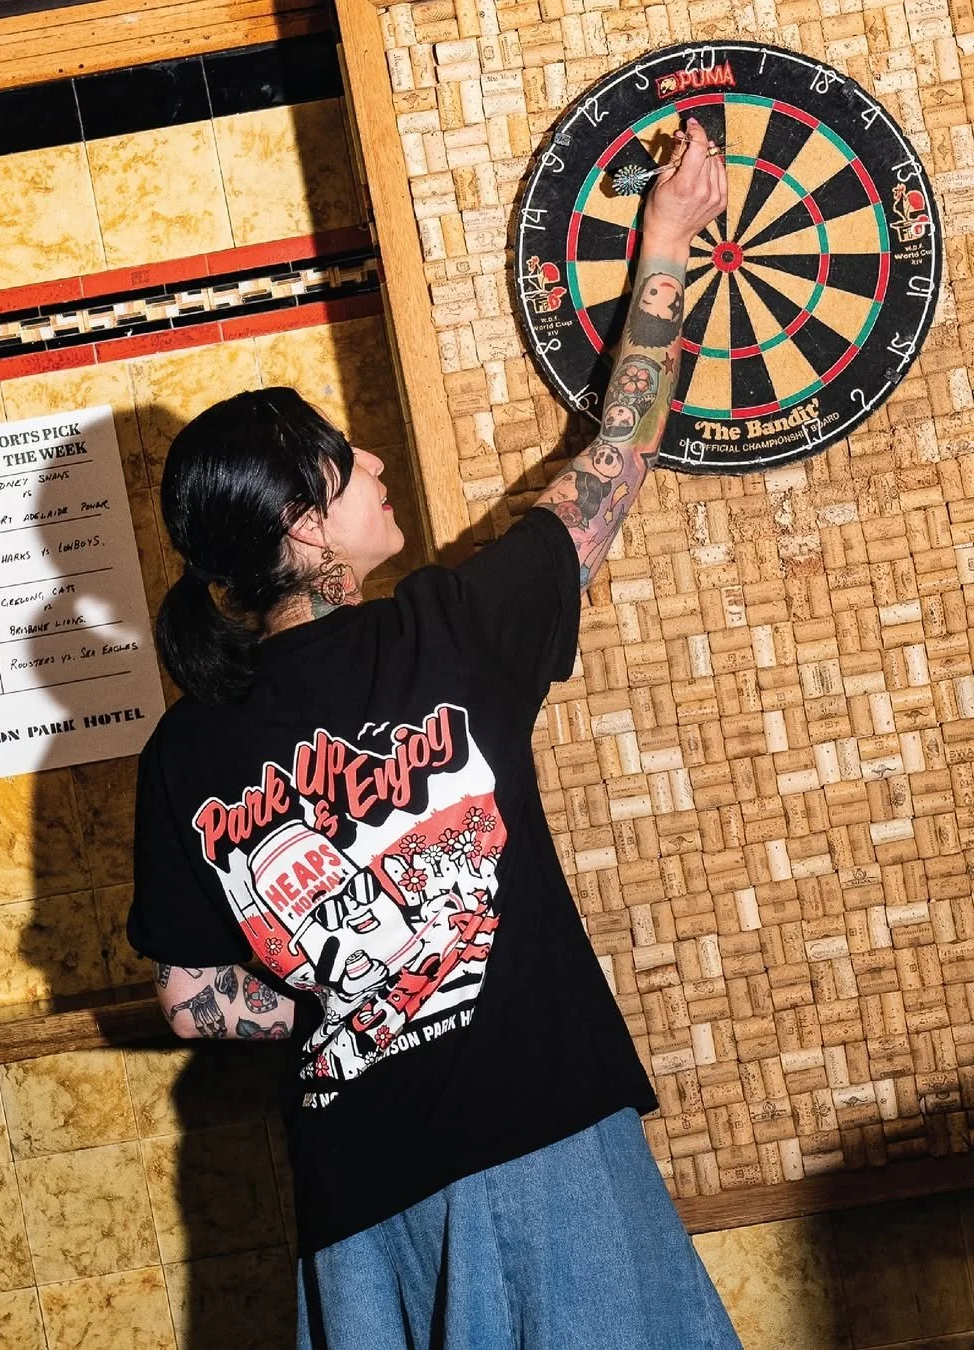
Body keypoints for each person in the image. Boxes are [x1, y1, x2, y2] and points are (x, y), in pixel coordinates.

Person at [128, 118, 738, 1348]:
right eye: (337, 464)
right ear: (302, 530)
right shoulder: (448, 632)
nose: (368, 464)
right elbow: (618, 457)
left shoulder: (182, 756)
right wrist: (668, 240)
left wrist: (344, 994)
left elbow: (191, 1000)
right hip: (539, 1143)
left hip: (356, 1199)